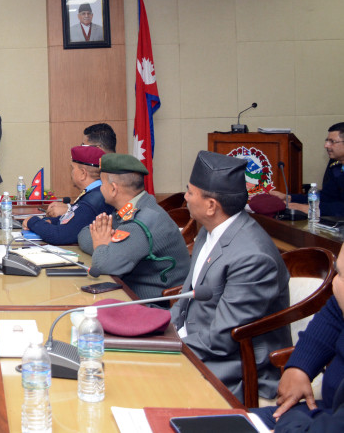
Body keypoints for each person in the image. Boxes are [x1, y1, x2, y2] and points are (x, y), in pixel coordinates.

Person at [171, 150, 291, 401]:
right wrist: (160, 331)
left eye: (190, 192)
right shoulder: (209, 230)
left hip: (235, 367)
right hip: (196, 344)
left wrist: (166, 347)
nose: (185, 197)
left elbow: (223, 339)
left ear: (211, 206)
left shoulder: (253, 257)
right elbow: (185, 302)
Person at [250, 250, 344, 431]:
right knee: (225, 421)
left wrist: (289, 421)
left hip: (322, 423)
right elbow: (334, 312)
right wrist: (300, 366)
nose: (333, 282)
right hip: (321, 412)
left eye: (339, 274)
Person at [78, 153, 189, 301]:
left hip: (153, 305)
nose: (100, 188)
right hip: (130, 294)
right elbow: (83, 234)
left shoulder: (142, 221)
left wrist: (102, 244)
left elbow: (103, 265)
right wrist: (105, 246)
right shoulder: (132, 208)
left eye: (102, 183)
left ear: (113, 189)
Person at [23, 145, 112, 245]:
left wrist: (32, 221)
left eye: (72, 168)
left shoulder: (93, 200)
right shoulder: (94, 192)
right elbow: (72, 219)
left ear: (83, 174)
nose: (71, 173)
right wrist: (49, 221)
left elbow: (60, 236)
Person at [270, 122, 344, 217]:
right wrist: (289, 198)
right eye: (327, 141)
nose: (326, 145)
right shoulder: (336, 168)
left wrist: (309, 208)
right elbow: (327, 197)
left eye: (332, 142)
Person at [46, 123, 117, 218]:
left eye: (83, 146)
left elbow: (100, 209)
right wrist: (70, 208)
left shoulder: (118, 177)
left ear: (96, 149)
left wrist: (70, 211)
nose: (81, 148)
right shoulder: (108, 171)